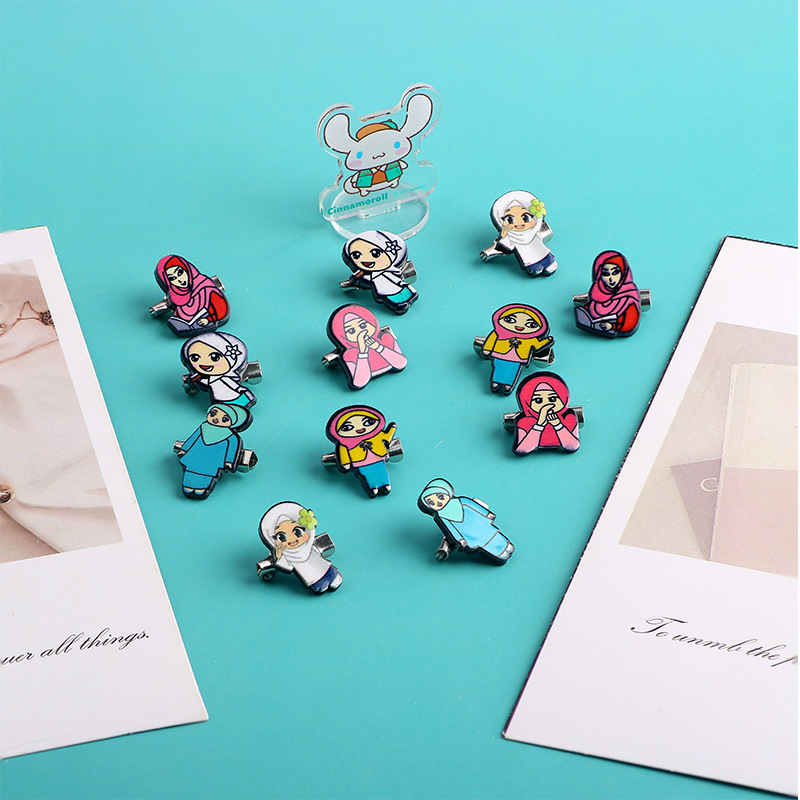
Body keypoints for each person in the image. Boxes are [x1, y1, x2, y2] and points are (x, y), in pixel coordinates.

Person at [417, 479, 514, 564]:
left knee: (494, 536)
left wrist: (487, 514)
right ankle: (499, 554)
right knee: (484, 544)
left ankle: (507, 546)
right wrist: (461, 540)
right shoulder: (441, 518)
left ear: (447, 493)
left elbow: (474, 506)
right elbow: (451, 530)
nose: (438, 502)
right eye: (431, 502)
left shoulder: (462, 501)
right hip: (468, 535)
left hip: (481, 524)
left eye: (440, 497)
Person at [257, 502, 342, 593]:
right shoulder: (287, 557)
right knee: (316, 581)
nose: (292, 539)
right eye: (281, 537)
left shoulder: (309, 546)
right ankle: (321, 584)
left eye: (297, 531)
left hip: (320, 564)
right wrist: (278, 555)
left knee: (326, 570)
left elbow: (316, 549)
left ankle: (333, 577)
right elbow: (286, 566)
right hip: (307, 574)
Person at [176, 404, 252, 498]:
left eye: (224, 419)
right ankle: (188, 486)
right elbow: (192, 439)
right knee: (191, 470)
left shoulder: (232, 437)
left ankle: (201, 488)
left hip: (214, 461)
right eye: (213, 414)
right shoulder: (203, 427)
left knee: (208, 472)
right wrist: (184, 449)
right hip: (196, 455)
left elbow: (232, 450)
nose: (216, 419)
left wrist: (229, 462)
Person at [326, 304, 407, 389]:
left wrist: (379, 347)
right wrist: (362, 353)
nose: (361, 332)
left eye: (363, 325)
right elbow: (359, 382)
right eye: (351, 331)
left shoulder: (386, 338)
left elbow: (401, 363)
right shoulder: (349, 355)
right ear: (343, 336)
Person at [479, 303, 554, 394]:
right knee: (498, 367)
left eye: (531, 324)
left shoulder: (530, 339)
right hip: (500, 354)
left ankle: (508, 384)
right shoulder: (498, 333)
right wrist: (487, 349)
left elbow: (537, 345)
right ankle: (495, 382)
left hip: (518, 358)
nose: (520, 326)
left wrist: (547, 341)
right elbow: (491, 340)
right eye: (510, 320)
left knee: (513, 370)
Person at [480, 190, 557, 277]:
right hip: (528, 259)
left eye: (525, 217)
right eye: (510, 219)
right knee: (534, 266)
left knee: (545, 257)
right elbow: (505, 246)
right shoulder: (511, 237)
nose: (519, 223)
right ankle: (536, 268)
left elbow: (542, 230)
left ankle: (549, 263)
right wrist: (488, 252)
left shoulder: (534, 231)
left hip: (541, 250)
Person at [326, 405, 397, 497]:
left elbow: (386, 438)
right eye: (347, 428)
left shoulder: (376, 435)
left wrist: (392, 429)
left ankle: (385, 484)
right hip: (360, 462)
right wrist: (345, 463)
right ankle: (373, 487)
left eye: (368, 422)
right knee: (367, 474)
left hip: (378, 457)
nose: (360, 429)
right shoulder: (345, 444)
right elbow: (343, 452)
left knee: (381, 470)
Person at [341, 231, 418, 314]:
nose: (366, 259)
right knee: (392, 297)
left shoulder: (391, 270)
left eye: (375, 253)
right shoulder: (371, 275)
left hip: (397, 286)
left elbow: (397, 274)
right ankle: (400, 304)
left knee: (405, 292)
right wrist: (356, 278)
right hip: (386, 291)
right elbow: (366, 279)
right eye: (356, 255)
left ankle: (406, 300)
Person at [155, 254, 229, 334]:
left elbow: (221, 309)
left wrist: (208, 319)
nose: (179, 280)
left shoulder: (205, 287)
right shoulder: (176, 298)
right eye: (173, 278)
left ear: (187, 269)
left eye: (180, 273)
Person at [574, 251, 641, 337]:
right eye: (606, 274)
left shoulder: (629, 297)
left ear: (623, 272)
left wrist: (612, 327)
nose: (611, 278)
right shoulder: (596, 297)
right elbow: (588, 310)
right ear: (599, 275)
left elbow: (630, 325)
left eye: (615, 272)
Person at [181, 331, 256, 407]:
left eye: (214, 357)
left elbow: (233, 385)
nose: (204, 362)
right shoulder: (207, 379)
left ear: (230, 360)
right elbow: (204, 382)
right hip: (220, 400)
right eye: (195, 358)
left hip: (235, 396)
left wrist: (241, 390)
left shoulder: (227, 377)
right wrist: (193, 381)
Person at [513, 372, 580, 455]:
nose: (546, 404)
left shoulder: (569, 418)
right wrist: (539, 425)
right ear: (527, 402)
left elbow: (573, 446)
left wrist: (558, 425)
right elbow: (521, 449)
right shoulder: (524, 422)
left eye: (552, 399)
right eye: (538, 400)